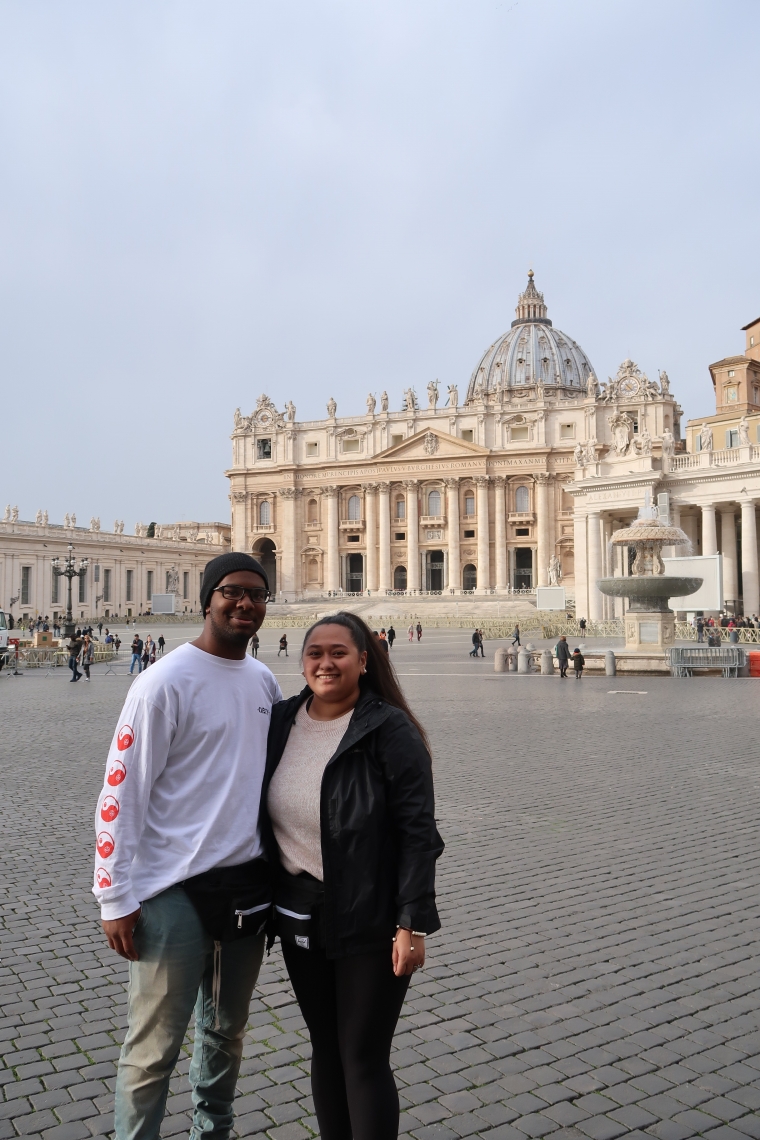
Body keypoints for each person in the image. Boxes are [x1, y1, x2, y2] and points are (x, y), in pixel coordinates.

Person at [94, 552, 279, 1140]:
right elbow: (120, 792)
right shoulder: (162, 683)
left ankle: (212, 1132)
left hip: (244, 887)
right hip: (172, 891)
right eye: (232, 591)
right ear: (207, 599)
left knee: (225, 1033)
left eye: (257, 594)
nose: (245, 603)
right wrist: (113, 895)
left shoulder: (263, 680)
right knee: (153, 1049)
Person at [263, 612, 443, 1140]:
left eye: (338, 652)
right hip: (301, 913)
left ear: (364, 661)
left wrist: (412, 923)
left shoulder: (390, 729)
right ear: (302, 662)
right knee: (325, 1047)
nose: (326, 663)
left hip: (371, 915)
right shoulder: (280, 720)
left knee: (362, 1054)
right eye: (315, 653)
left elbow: (418, 834)